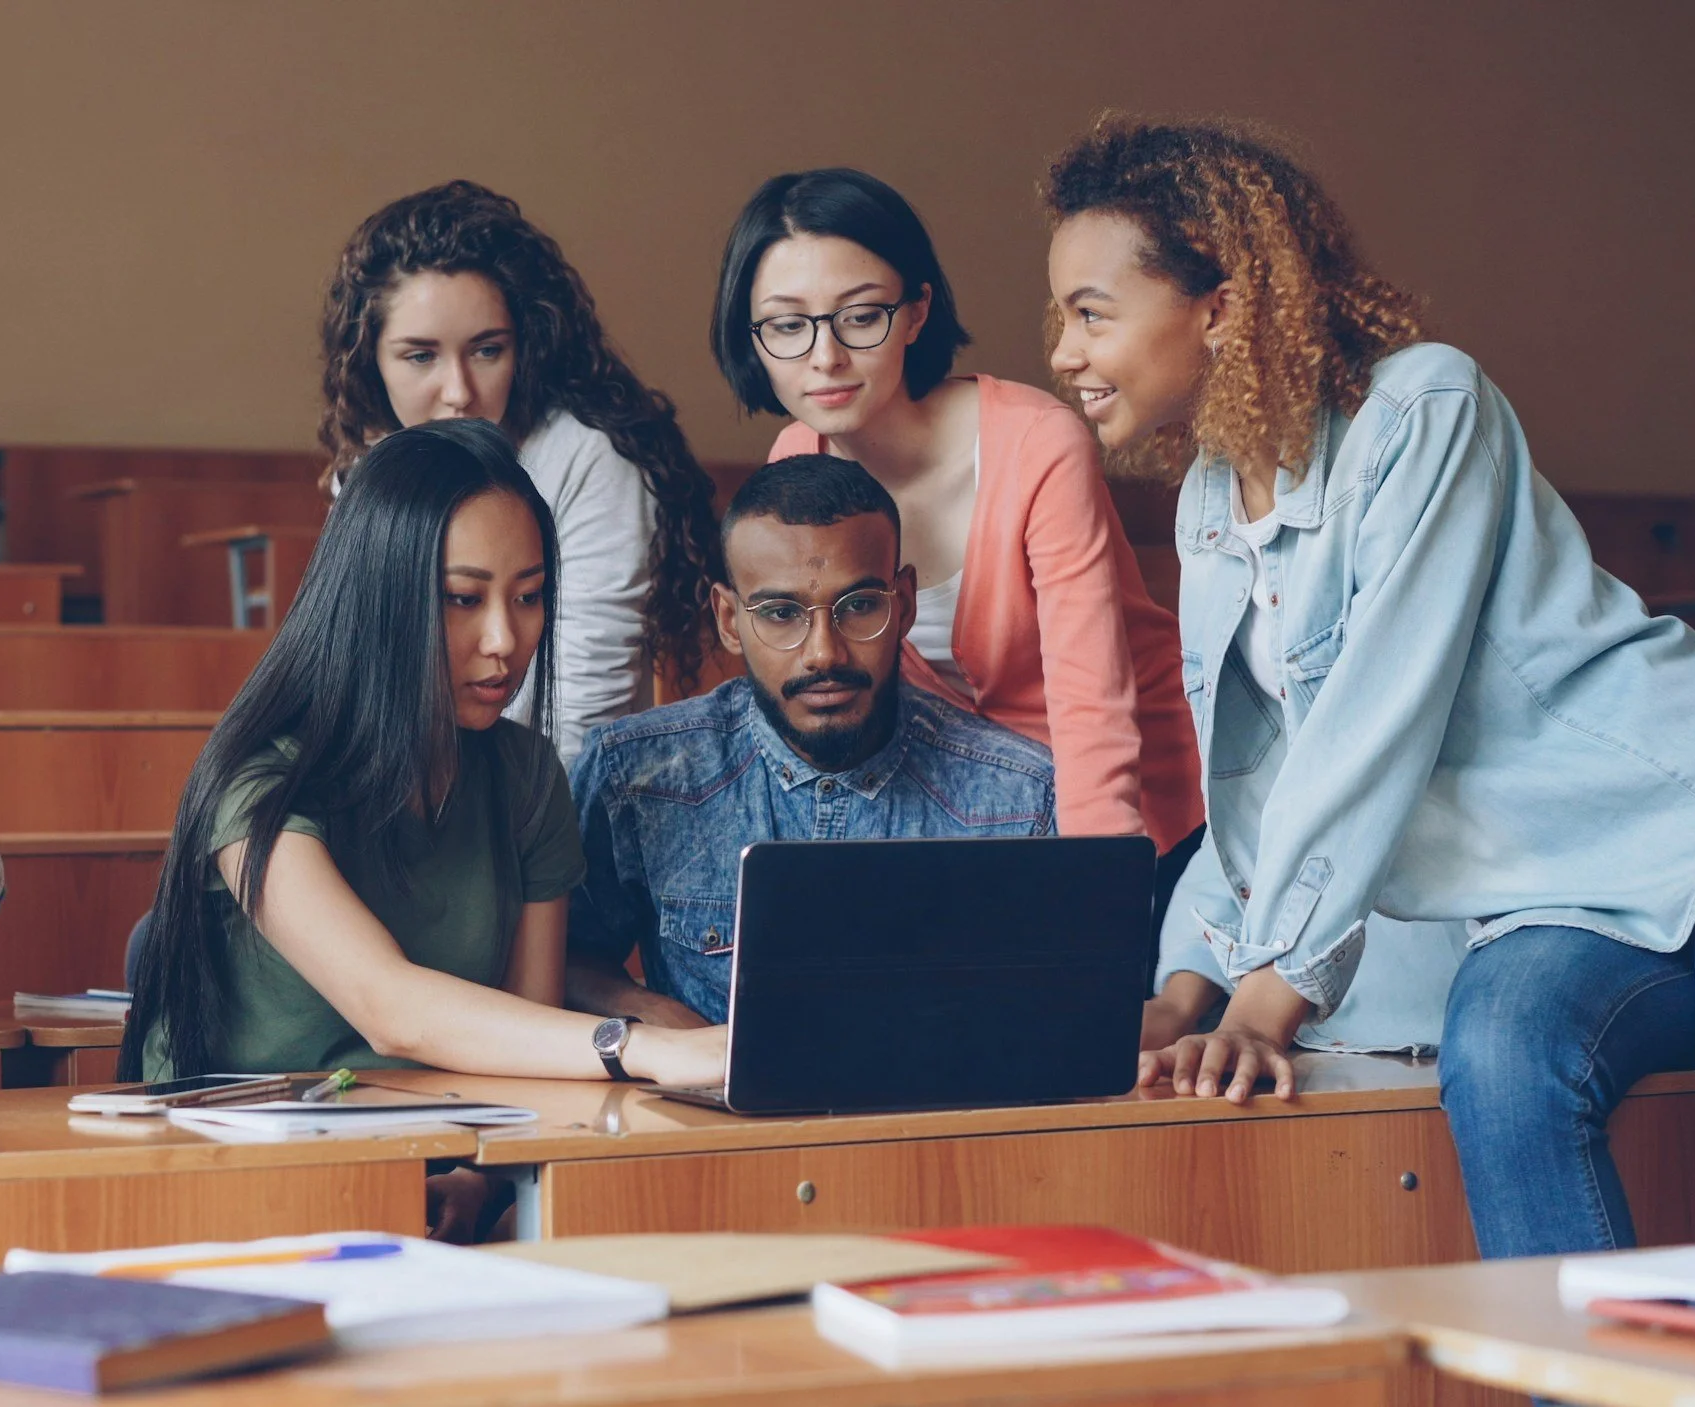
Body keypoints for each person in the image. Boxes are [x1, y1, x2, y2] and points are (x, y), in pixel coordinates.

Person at [1040, 115, 1695, 1257]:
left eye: (1091, 313)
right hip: (1555, 905)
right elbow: (1255, 793)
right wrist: (1184, 990)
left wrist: (1264, 1002)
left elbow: (1374, 725)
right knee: (1497, 1063)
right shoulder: (1209, 504)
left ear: (1222, 305)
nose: (1062, 353)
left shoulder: (1422, 407)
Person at [120, 418, 728, 1091]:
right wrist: (643, 1048)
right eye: (463, 599)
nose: (503, 638)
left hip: (446, 1146)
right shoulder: (261, 782)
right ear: (381, 598)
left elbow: (527, 1031)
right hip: (253, 1164)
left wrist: (478, 1183)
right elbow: (392, 1008)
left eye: (528, 596)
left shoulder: (527, 776)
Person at [710, 169, 1203, 868]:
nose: (825, 357)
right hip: (969, 820)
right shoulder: (795, 458)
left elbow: (1091, 706)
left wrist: (1099, 897)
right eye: (788, 325)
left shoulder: (1038, 443)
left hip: (1148, 813)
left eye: (859, 315)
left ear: (915, 312)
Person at [565, 455, 1058, 1026]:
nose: (824, 652)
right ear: (728, 619)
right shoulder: (634, 772)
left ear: (905, 604)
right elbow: (562, 962)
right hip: (710, 1113)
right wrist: (657, 1020)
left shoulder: (1020, 799)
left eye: (859, 607)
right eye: (780, 613)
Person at [319, 181, 725, 762]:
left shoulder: (587, 457)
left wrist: (507, 840)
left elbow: (578, 724)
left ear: (525, 346)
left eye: (487, 351)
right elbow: (360, 687)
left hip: (551, 806)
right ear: (370, 361)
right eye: (420, 356)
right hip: (412, 797)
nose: (459, 393)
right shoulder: (366, 471)